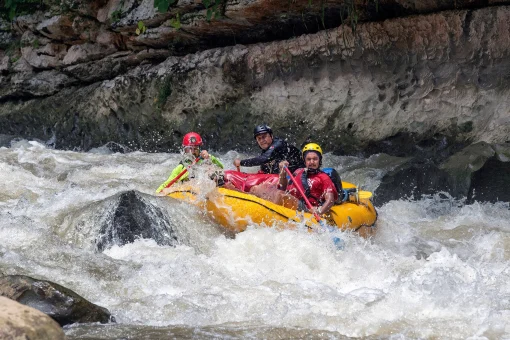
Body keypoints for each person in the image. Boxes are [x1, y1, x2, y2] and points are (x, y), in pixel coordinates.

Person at [249, 143, 338, 216]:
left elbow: (330, 199)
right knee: (256, 189)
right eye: (309, 159)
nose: (311, 162)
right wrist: (283, 172)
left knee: (281, 195)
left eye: (315, 159)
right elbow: (283, 187)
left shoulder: (323, 177)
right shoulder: (298, 171)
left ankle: (270, 216)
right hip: (292, 200)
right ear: (304, 160)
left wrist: (319, 211)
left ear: (319, 160)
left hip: (307, 208)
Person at [156, 132, 224, 194]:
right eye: (189, 149)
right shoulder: (181, 167)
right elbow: (166, 184)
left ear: (199, 149)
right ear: (184, 150)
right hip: (191, 192)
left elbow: (221, 167)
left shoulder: (206, 159)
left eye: (195, 148)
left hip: (207, 188)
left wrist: (209, 157)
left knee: (212, 171)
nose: (193, 152)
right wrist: (159, 192)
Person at [233, 124, 304, 174]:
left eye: (264, 137)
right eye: (259, 138)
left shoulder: (278, 144)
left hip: (301, 172)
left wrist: (241, 162)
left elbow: (263, 159)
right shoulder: (266, 151)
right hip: (287, 175)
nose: (262, 140)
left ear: (271, 136)